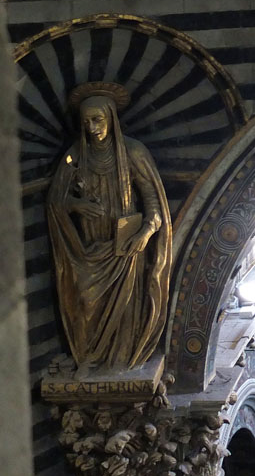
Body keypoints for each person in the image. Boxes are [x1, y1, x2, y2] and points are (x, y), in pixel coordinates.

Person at [47, 85, 171, 375]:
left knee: (126, 307)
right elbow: (55, 200)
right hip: (88, 248)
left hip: (125, 247)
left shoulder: (133, 152)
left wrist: (145, 233)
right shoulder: (75, 155)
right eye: (86, 121)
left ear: (111, 119)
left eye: (98, 120)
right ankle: (89, 357)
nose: (92, 128)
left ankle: (120, 358)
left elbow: (154, 202)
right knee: (84, 299)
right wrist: (76, 205)